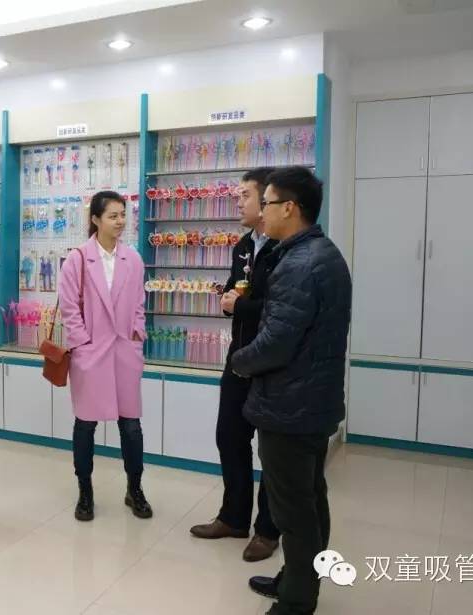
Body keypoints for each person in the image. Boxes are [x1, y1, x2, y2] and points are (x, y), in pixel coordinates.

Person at [231, 167, 351, 615]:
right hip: (311, 401)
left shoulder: (299, 265)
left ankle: (297, 601)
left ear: (290, 208)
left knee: (294, 509)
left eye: (267, 203)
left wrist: (239, 361)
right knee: (310, 498)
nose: (261, 211)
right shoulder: (321, 254)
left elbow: (276, 343)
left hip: (290, 405)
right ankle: (299, 579)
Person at [190, 168, 281, 562]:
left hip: (274, 364)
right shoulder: (243, 245)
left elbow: (281, 309)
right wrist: (229, 300)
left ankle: (268, 530)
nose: (238, 202)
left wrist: (240, 305)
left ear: (267, 200)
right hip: (239, 358)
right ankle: (233, 517)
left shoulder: (286, 249)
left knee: (273, 451)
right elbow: (234, 291)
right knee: (229, 436)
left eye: (245, 195)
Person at [58, 190, 152, 522]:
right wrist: (82, 343)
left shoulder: (133, 259)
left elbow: (139, 304)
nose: (120, 221)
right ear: (96, 219)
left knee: (132, 426)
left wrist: (137, 334)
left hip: (124, 351)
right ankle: (85, 492)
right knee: (85, 425)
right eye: (113, 216)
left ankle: (134, 489)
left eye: (123, 215)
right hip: (91, 352)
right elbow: (69, 308)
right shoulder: (78, 259)